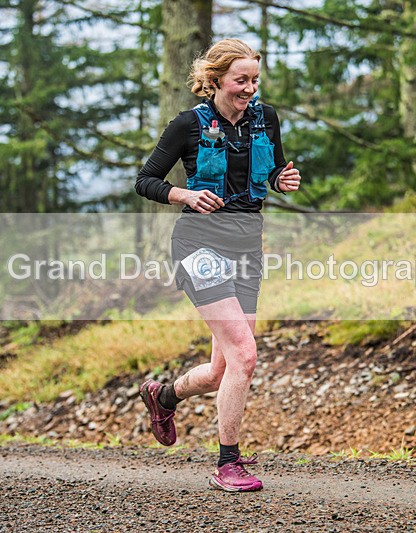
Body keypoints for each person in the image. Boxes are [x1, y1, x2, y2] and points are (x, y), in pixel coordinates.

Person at [134, 38, 301, 492]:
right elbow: (145, 180)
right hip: (199, 247)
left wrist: (283, 179)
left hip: (247, 249)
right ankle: (228, 463)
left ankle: (163, 395)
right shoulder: (187, 124)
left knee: (221, 369)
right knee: (245, 354)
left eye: (255, 80)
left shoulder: (266, 119)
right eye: (240, 80)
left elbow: (272, 172)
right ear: (216, 79)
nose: (249, 88)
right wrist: (185, 194)